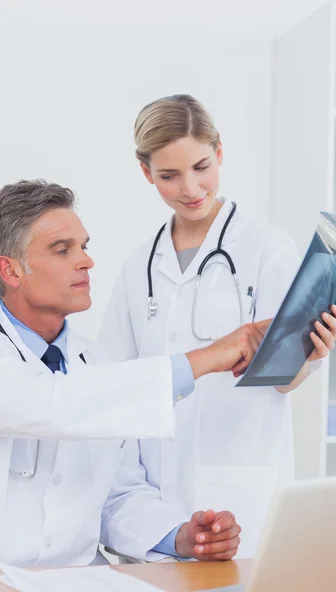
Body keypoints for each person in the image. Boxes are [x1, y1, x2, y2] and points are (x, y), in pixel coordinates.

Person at [99, 94, 336, 558]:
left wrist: (309, 354)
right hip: (156, 506)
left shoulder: (268, 249)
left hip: (243, 498)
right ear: (146, 172)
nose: (190, 188)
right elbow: (116, 386)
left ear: (220, 153)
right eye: (169, 175)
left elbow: (284, 380)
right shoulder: (138, 270)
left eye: (201, 166)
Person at [0, 179, 267, 567]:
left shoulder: (99, 363)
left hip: (82, 581)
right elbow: (56, 404)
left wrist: (180, 537)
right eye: (62, 250)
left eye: (84, 247)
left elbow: (116, 495)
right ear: (10, 270)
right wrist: (211, 356)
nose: (86, 261)